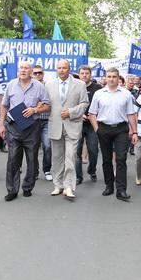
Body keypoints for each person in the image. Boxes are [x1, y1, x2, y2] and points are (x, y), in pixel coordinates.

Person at [0, 61, 51, 202]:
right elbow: (4, 105)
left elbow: (47, 106)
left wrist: (35, 110)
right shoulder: (11, 85)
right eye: (21, 68)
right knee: (13, 159)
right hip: (13, 126)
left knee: (31, 159)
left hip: (32, 127)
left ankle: (27, 187)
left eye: (26, 68)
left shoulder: (39, 86)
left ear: (31, 71)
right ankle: (12, 190)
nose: (23, 70)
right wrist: (1, 124)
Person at [88, 67, 138, 201]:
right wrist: (97, 129)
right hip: (103, 129)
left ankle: (121, 190)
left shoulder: (126, 94)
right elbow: (92, 114)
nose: (111, 79)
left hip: (121, 129)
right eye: (109, 76)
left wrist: (134, 132)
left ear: (118, 78)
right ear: (105, 78)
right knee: (106, 159)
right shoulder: (99, 94)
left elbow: (131, 114)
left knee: (121, 159)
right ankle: (109, 185)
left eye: (114, 76)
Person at [45, 59, 89, 198]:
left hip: (73, 125)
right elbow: (46, 104)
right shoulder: (49, 84)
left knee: (70, 157)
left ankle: (68, 186)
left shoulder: (80, 84)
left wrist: (71, 112)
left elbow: (84, 104)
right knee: (57, 158)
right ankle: (58, 185)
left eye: (64, 68)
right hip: (55, 125)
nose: (62, 70)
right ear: (56, 69)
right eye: (59, 68)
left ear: (69, 69)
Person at [75, 65, 102, 184]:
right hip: (77, 122)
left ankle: (92, 171)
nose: (84, 75)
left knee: (93, 150)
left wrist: (94, 116)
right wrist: (79, 114)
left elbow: (102, 105)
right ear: (79, 74)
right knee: (77, 151)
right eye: (82, 73)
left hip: (92, 124)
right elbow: (69, 103)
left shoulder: (98, 88)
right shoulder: (74, 86)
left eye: (87, 73)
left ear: (90, 74)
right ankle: (78, 176)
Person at [31, 64, 52, 181]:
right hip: (33, 121)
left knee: (47, 146)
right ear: (32, 74)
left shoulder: (49, 86)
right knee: (32, 147)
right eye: (35, 73)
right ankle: (34, 171)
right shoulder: (29, 87)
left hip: (47, 120)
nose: (38, 75)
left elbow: (51, 102)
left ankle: (47, 169)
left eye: (40, 73)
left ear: (43, 74)